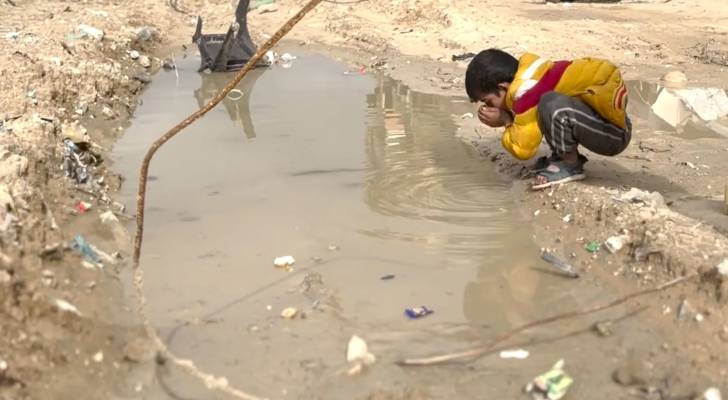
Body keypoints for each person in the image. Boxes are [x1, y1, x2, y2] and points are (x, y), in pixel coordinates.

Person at [465, 49, 631, 189]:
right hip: (604, 122)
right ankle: (562, 157)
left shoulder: (525, 92)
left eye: (488, 101)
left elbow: (523, 149)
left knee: (550, 103)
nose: (490, 106)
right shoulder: (531, 75)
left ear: (503, 87)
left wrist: (507, 121)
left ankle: (570, 165)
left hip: (614, 135)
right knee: (544, 107)